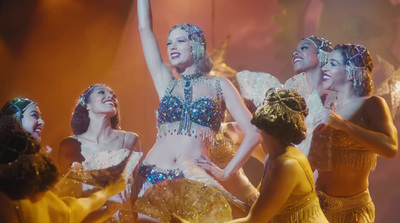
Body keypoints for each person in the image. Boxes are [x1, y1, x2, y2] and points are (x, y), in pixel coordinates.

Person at [134, 0, 261, 221]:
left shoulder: (219, 85)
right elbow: (144, 28)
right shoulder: (166, 82)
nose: (172, 47)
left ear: (197, 45)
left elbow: (254, 133)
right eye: (169, 43)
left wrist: (226, 172)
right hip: (151, 176)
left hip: (193, 177)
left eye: (180, 41)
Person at [203, 88, 328, 222]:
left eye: (263, 106)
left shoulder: (287, 164)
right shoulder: (272, 157)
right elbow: (256, 209)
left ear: (268, 119)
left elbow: (254, 220)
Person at [311, 44, 398, 222]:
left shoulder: (372, 104)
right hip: (315, 209)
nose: (325, 68)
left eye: (333, 63)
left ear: (352, 70)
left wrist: (343, 125)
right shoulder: (327, 104)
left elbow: (390, 148)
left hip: (351, 213)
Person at [0, 117, 126, 223]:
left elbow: (73, 212)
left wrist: (107, 210)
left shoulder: (42, 201)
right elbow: (78, 208)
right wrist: (108, 192)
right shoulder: (41, 202)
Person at [236, 36, 334, 160]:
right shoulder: (290, 88)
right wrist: (259, 114)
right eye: (294, 52)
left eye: (303, 48)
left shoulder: (339, 89)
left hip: (331, 168)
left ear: (322, 53)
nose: (295, 53)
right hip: (294, 163)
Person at [57, 84, 142, 222]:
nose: (111, 97)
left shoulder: (130, 139)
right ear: (87, 105)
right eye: (101, 92)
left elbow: (136, 188)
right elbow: (64, 195)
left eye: (113, 95)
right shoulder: (70, 145)